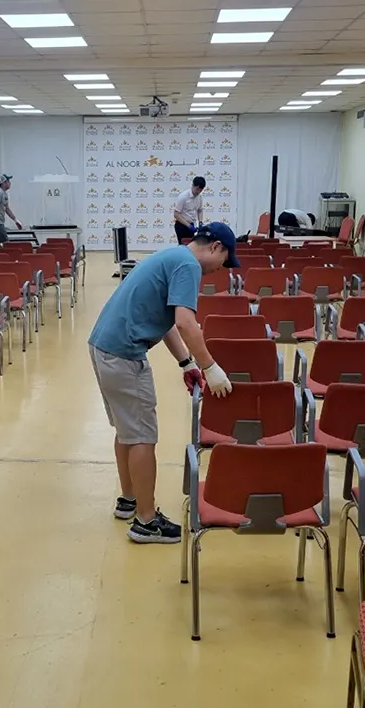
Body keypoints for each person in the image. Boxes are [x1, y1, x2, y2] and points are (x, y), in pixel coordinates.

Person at [88, 222, 239, 544]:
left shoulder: (172, 256)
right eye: (224, 261)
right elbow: (185, 322)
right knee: (143, 435)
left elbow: (167, 320)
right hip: (124, 353)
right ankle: (146, 521)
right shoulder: (188, 265)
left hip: (104, 346)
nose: (221, 269)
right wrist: (211, 368)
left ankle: (129, 499)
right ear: (215, 247)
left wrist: (186, 362)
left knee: (128, 430)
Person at [0, 174, 23, 246]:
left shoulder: (4, 194)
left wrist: (15, 220)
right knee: (7, 245)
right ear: (3, 183)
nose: (10, 183)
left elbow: (7, 208)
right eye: (8, 181)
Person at [173, 176, 205, 244]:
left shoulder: (199, 197)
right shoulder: (183, 196)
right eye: (197, 189)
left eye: (200, 190)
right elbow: (176, 214)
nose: (198, 192)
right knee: (183, 246)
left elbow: (200, 210)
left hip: (192, 225)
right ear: (193, 185)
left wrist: (200, 222)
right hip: (182, 225)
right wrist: (188, 226)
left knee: (191, 246)